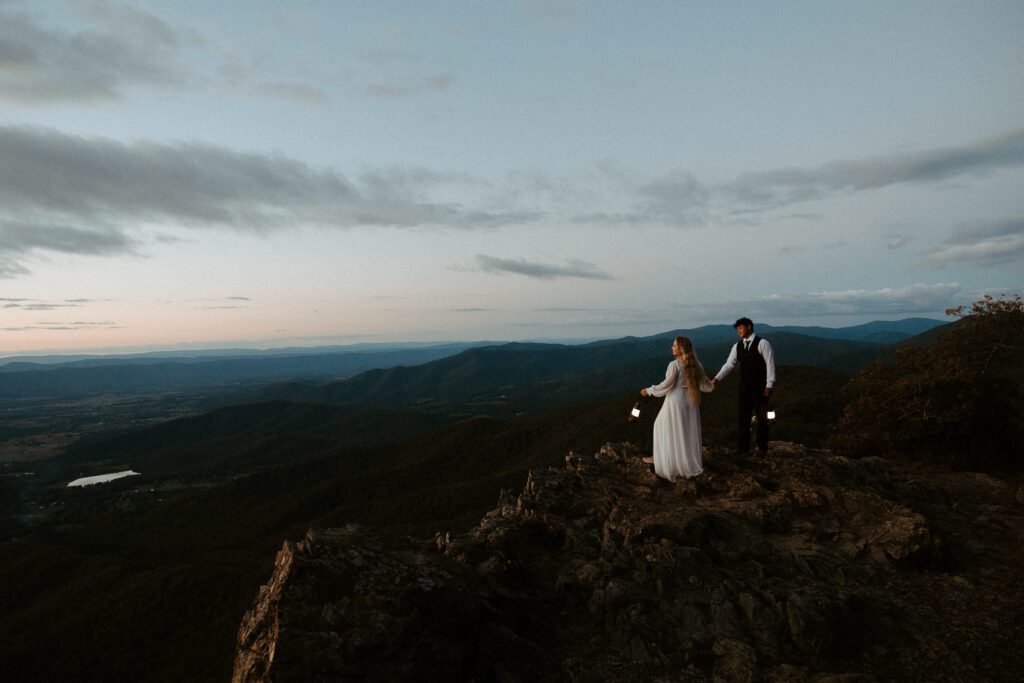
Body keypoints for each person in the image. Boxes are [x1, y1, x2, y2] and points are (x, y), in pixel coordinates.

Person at [640, 336, 715, 481]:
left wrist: (649, 390)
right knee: (685, 431)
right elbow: (706, 385)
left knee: (661, 426)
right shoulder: (696, 364)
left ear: (680, 349)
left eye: (674, 346)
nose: (672, 347)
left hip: (675, 402)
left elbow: (666, 385)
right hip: (690, 403)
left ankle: (664, 460)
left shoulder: (674, 365)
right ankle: (683, 462)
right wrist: (713, 384)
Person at [711, 317, 776, 456]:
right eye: (737, 329)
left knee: (763, 418)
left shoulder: (763, 343)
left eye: (740, 328)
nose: (738, 331)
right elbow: (729, 364)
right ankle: (742, 449)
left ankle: (762, 448)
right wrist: (717, 378)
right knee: (743, 418)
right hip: (744, 387)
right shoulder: (737, 346)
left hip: (761, 387)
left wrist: (769, 383)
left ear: (749, 327)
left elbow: (770, 364)